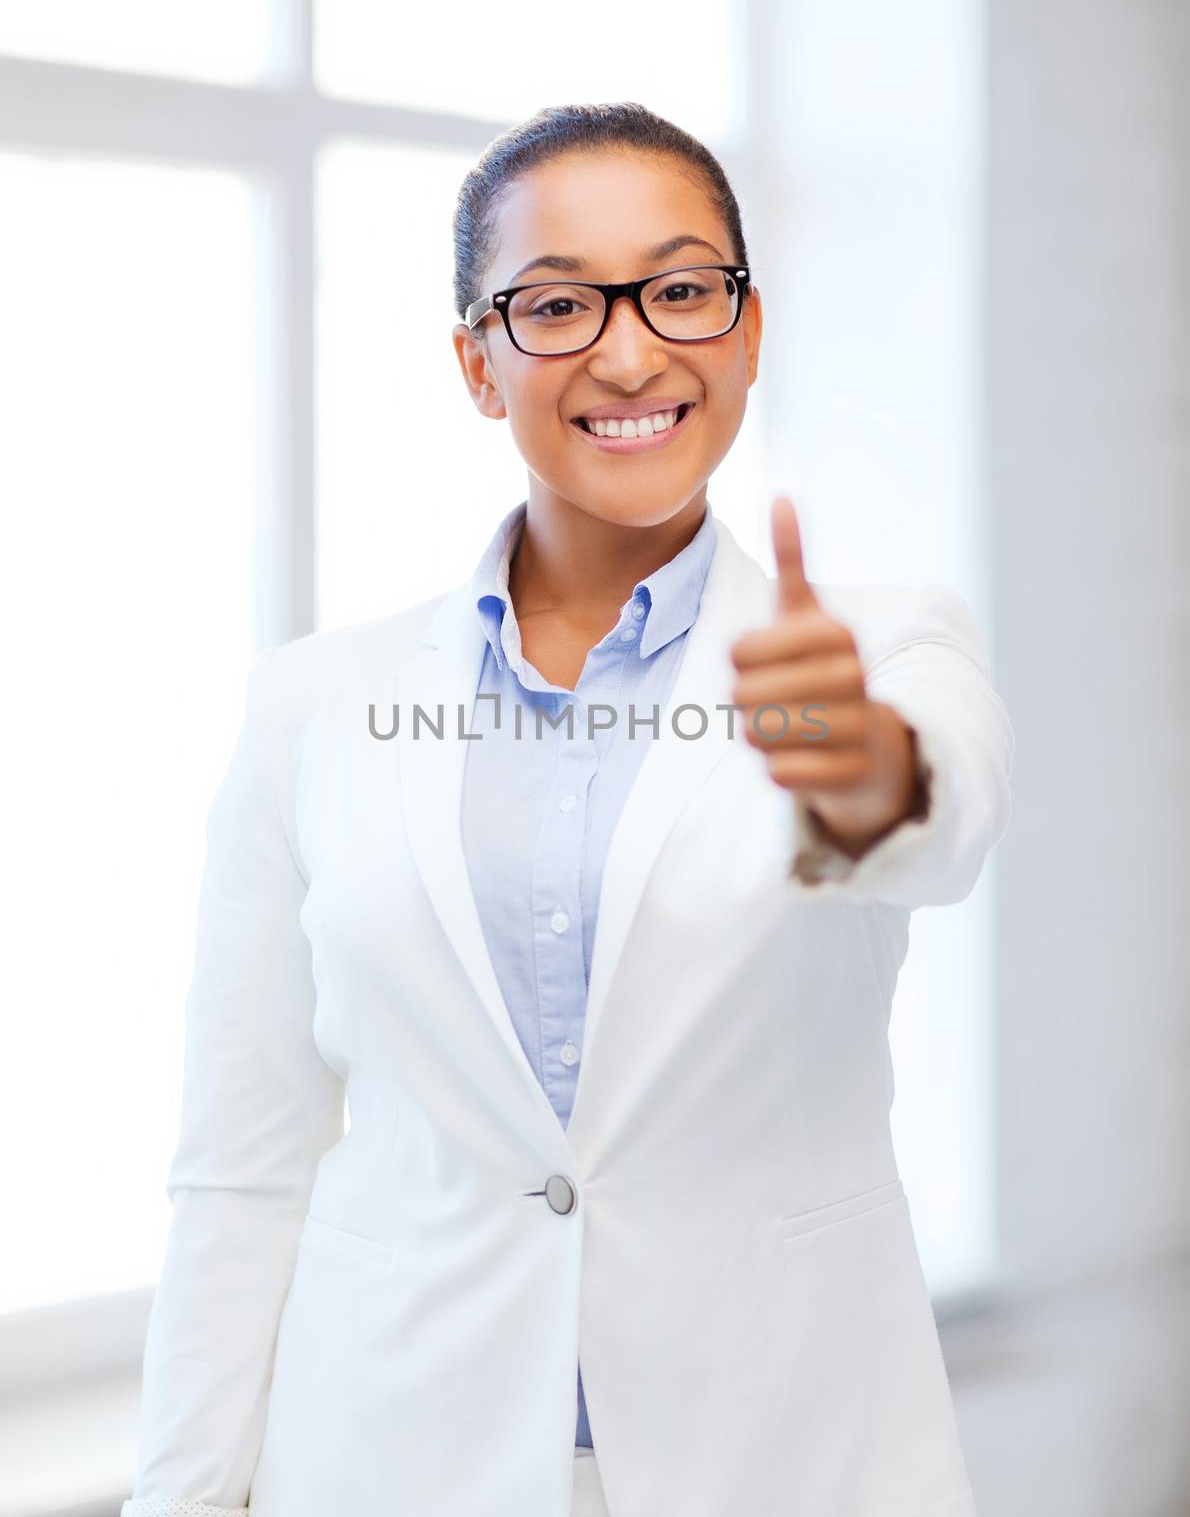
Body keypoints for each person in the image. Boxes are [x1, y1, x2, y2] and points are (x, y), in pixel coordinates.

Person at [121, 102, 1013, 1517]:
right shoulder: (313, 702)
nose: (628, 346)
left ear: (746, 327)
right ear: (477, 364)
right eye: (554, 305)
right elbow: (242, 1165)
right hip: (390, 1457)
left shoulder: (875, 644)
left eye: (678, 288)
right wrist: (179, 1495)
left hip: (787, 1452)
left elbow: (935, 815)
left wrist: (856, 774)